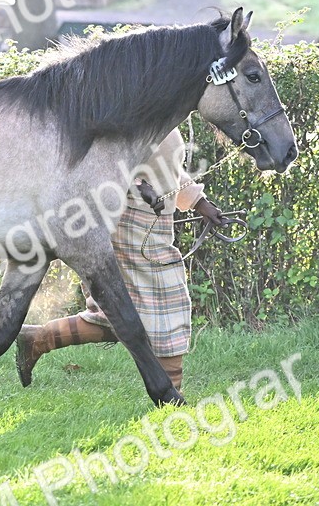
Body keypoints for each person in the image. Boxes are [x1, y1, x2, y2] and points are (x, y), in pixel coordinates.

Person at [15, 128, 228, 393]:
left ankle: (38, 338)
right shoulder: (128, 108)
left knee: (118, 313)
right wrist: (135, 185)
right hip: (126, 219)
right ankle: (172, 399)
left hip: (153, 224)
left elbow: (167, 167)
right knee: (167, 306)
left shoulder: (163, 112)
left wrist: (199, 202)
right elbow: (96, 162)